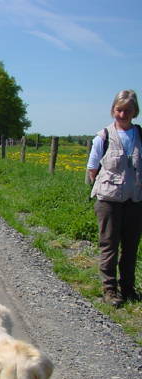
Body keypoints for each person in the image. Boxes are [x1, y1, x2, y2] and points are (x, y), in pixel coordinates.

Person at [87, 89, 142, 307]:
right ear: (113, 110)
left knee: (131, 247)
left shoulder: (140, 135)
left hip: (135, 201)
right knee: (109, 245)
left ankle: (128, 288)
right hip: (108, 201)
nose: (122, 115)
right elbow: (92, 168)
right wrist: (107, 187)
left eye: (127, 110)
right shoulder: (103, 137)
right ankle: (109, 290)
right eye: (119, 110)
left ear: (135, 112)